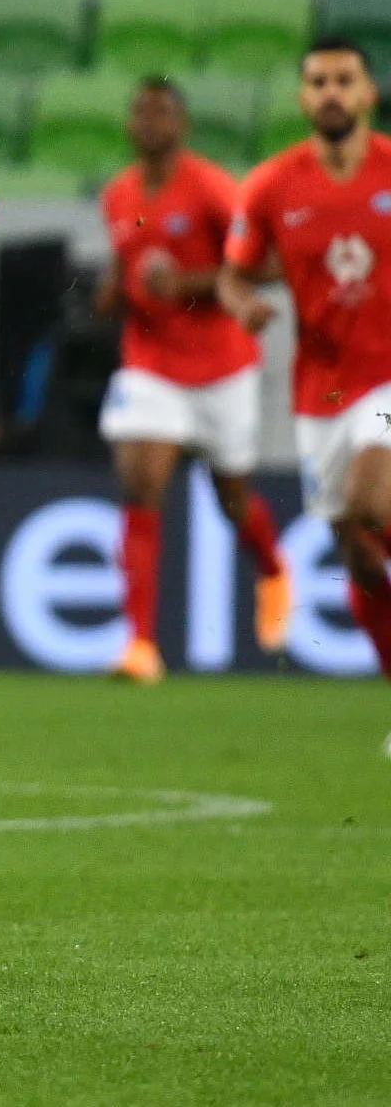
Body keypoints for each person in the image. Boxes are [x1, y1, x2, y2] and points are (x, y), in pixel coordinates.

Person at [220, 37, 391, 748]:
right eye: (318, 81)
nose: (330, 93)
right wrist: (243, 305)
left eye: (343, 80)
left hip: (386, 377)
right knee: (357, 551)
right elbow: (234, 273)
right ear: (302, 97)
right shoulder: (272, 185)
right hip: (319, 391)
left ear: (368, 92)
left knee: (372, 500)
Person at [95, 77, 289, 684]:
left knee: (232, 496)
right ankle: (140, 645)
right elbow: (125, 270)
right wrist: (111, 293)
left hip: (221, 364)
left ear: (182, 125)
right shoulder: (118, 195)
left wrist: (186, 283)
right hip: (151, 363)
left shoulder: (211, 188)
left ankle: (272, 569)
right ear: (129, 124)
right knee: (139, 485)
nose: (150, 121)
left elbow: (266, 263)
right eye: (141, 111)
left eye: (162, 112)